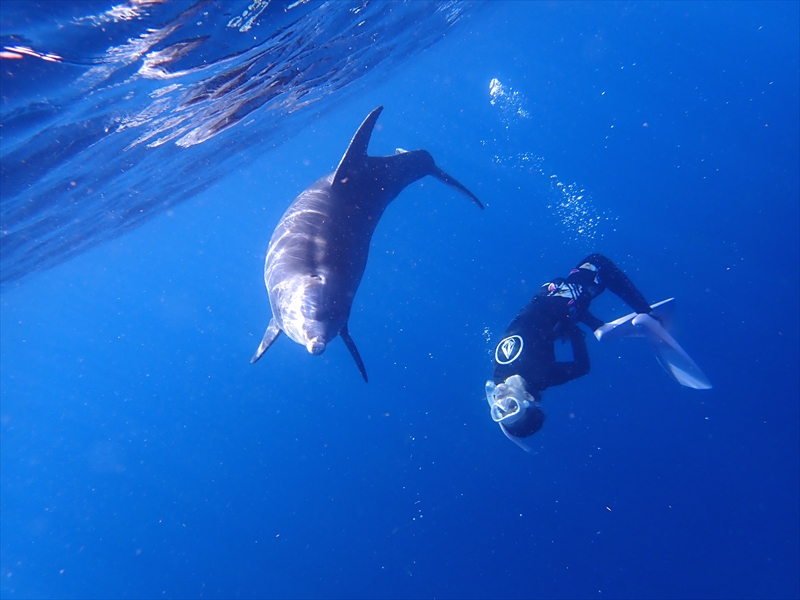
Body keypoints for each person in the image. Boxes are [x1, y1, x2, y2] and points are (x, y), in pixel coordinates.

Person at [486, 254, 653, 450]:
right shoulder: (541, 377)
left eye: (498, 410)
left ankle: (597, 325)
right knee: (598, 263)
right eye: (512, 406)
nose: (501, 400)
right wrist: (576, 336)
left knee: (564, 297)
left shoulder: (498, 376)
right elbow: (582, 367)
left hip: (547, 298)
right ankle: (648, 314)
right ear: (529, 399)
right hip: (567, 302)